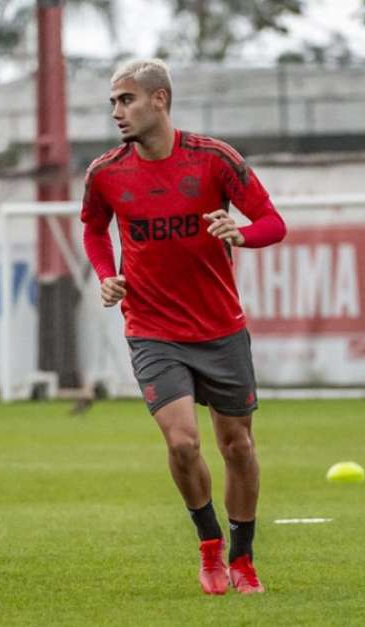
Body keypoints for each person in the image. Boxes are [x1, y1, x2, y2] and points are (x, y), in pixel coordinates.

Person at [80, 59, 286, 595]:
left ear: (160, 100)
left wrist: (241, 233)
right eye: (113, 102)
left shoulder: (215, 160)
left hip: (220, 328)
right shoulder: (105, 173)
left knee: (237, 445)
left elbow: (273, 222)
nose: (117, 111)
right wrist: (107, 275)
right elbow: (94, 232)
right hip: (151, 328)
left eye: (126, 100)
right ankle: (211, 547)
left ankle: (243, 559)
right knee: (182, 444)